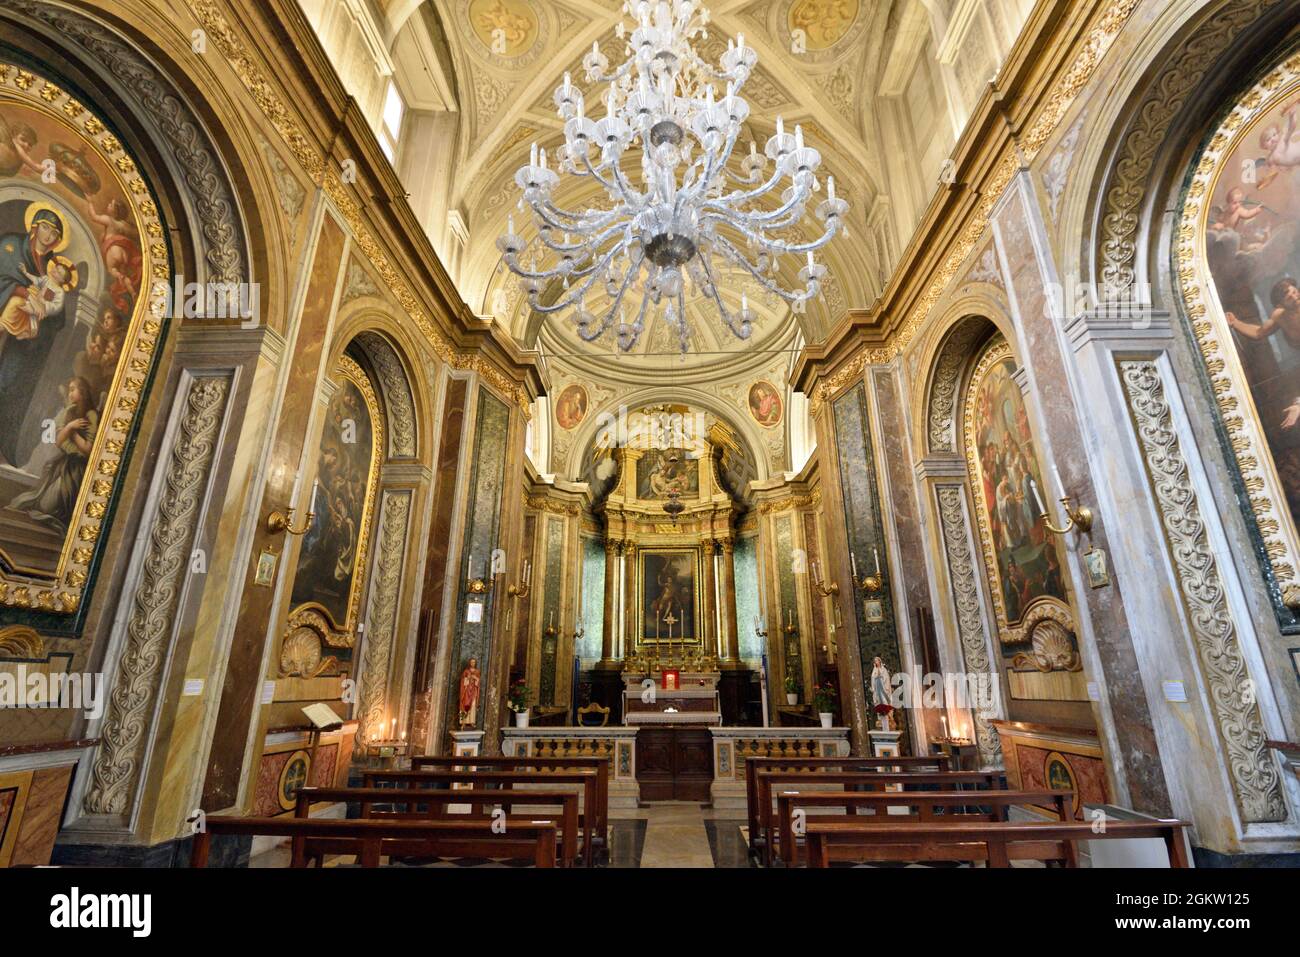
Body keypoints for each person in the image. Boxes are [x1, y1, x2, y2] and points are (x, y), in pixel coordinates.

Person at [10, 376, 97, 529]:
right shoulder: (71, 412)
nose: (70, 394)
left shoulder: (91, 415)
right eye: (69, 390)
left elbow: (89, 450)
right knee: (39, 503)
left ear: (82, 393)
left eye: (72, 390)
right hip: (64, 464)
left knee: (47, 508)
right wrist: (70, 427)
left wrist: (72, 432)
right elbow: (58, 441)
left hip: (78, 468)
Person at [458, 657, 481, 728]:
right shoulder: (466, 671)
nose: (472, 663)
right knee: (465, 705)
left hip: (473, 691)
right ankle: (463, 722)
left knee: (473, 706)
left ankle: (472, 722)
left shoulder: (477, 671)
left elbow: (478, 682)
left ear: (475, 663)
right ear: (469, 663)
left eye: (474, 662)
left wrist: (476, 678)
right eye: (471, 662)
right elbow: (462, 681)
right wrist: (467, 678)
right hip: (466, 691)